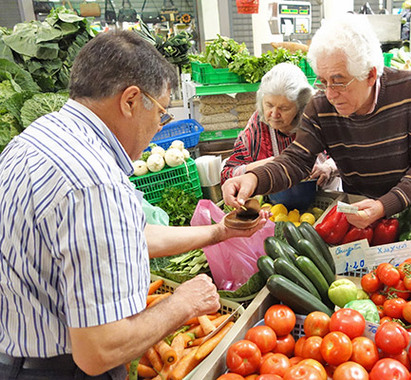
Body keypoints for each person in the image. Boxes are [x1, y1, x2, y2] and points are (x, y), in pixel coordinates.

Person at [0, 31, 268, 380]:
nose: (159, 127)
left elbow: (128, 236)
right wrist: (185, 302)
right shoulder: (94, 181)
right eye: (161, 113)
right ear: (129, 101)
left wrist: (219, 231)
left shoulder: (35, 140)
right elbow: (99, 350)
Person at [222, 14, 411, 228]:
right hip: (360, 213)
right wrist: (253, 179)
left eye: (338, 82)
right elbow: (296, 161)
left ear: (370, 75)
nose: (329, 94)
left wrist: (383, 206)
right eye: (322, 81)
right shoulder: (321, 107)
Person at [221, 62, 340, 190]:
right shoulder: (257, 128)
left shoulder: (316, 117)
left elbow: (349, 156)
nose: (274, 114)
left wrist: (329, 167)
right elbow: (227, 175)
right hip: (275, 206)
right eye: (269, 105)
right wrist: (260, 168)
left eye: (284, 108)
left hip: (325, 198)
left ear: (300, 107)